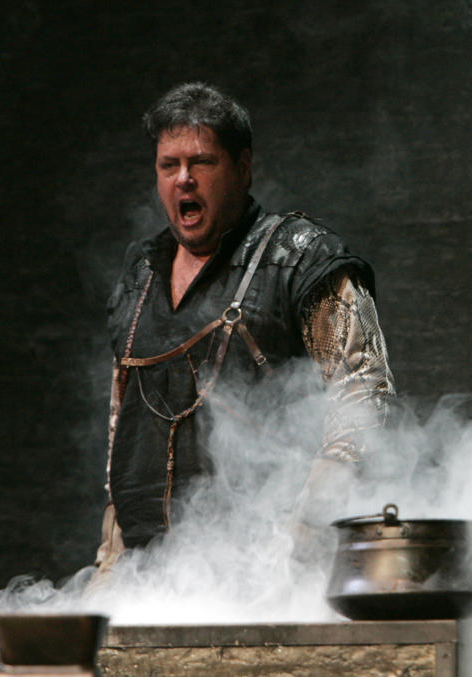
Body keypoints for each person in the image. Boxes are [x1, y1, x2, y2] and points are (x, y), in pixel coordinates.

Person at [92, 82, 395, 574]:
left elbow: (364, 397)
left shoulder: (302, 258)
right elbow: (120, 435)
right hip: (150, 584)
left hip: (265, 571)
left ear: (243, 166)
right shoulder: (140, 278)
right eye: (169, 165)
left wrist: (299, 546)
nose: (184, 179)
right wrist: (109, 568)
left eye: (202, 162)